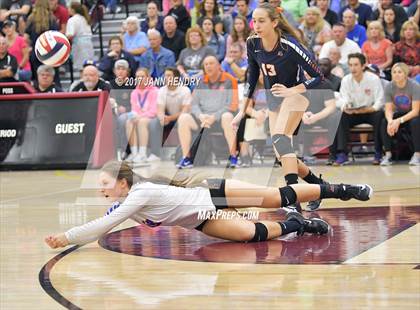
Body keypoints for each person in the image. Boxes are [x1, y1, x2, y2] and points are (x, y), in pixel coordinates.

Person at [44, 160, 373, 248]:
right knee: (250, 235)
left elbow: (102, 227)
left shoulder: (138, 195)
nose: (100, 189)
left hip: (214, 194)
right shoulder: (125, 203)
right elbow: (108, 218)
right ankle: (297, 224)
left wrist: (67, 237)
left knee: (276, 196)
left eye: (104, 183)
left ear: (122, 183)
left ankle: (340, 189)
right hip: (199, 218)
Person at [231, 3, 327, 212]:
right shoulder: (252, 43)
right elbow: (252, 77)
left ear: (274, 22)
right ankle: (318, 186)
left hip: (296, 97)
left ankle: (293, 198)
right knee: (282, 153)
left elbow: (319, 76)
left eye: (261, 20)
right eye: (254, 20)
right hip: (275, 102)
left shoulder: (289, 45)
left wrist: (292, 90)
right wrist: (242, 110)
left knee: (281, 140)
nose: (256, 25)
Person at [177, 55, 239, 169]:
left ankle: (233, 157)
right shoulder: (200, 81)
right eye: (206, 64)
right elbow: (193, 104)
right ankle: (186, 158)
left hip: (220, 120)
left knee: (227, 116)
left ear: (219, 66)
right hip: (203, 120)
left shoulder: (230, 80)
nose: (208, 66)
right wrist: (201, 116)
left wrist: (214, 117)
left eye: (211, 63)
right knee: (183, 118)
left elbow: (232, 105)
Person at [333, 53, 384, 166]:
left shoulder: (373, 79)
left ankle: (378, 152)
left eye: (356, 65)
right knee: (340, 116)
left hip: (370, 112)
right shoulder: (346, 80)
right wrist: (346, 106)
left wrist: (371, 109)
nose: (353, 68)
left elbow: (380, 100)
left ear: (363, 66)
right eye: (350, 65)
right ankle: (342, 153)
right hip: (354, 112)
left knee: (380, 115)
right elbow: (343, 98)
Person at [380, 63, 420, 166]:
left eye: (399, 72)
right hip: (399, 114)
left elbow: (415, 111)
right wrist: (390, 122)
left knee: (416, 122)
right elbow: (388, 109)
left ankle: (417, 155)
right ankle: (388, 155)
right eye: (394, 72)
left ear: (405, 74)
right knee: (384, 122)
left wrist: (399, 121)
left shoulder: (414, 86)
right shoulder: (389, 86)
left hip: (413, 115)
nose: (396, 75)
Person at [148, 67, 192, 160]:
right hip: (168, 118)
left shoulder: (185, 90)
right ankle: (155, 154)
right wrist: (161, 117)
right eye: (165, 76)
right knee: (154, 123)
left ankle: (183, 154)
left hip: (182, 118)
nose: (166, 78)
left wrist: (170, 118)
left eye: (169, 75)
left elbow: (185, 110)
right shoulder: (162, 90)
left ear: (176, 78)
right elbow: (160, 108)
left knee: (184, 119)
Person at [126, 67, 158, 163]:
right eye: (137, 77)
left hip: (152, 117)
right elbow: (134, 109)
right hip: (140, 117)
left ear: (148, 78)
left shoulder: (155, 91)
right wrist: (134, 116)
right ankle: (134, 153)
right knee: (129, 122)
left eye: (142, 77)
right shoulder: (134, 93)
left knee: (142, 122)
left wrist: (139, 117)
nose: (140, 79)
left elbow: (154, 111)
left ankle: (142, 154)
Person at [108, 60, 136, 161]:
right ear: (114, 71)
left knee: (123, 120)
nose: (120, 71)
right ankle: (112, 152)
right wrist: (116, 106)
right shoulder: (109, 84)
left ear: (128, 71)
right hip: (114, 112)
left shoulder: (133, 83)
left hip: (130, 112)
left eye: (123, 69)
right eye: (118, 69)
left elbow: (137, 102)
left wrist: (127, 109)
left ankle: (126, 150)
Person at [66, 2, 94, 71]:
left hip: (79, 45)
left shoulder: (72, 20)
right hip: (88, 44)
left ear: (73, 9)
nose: (68, 10)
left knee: (82, 67)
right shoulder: (84, 18)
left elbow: (70, 34)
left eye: (69, 8)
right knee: (88, 65)